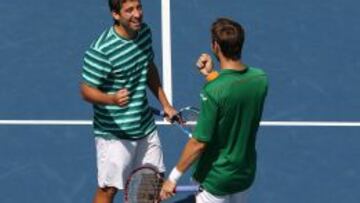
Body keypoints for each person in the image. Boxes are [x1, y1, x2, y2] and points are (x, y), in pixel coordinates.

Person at [160, 18, 268, 203]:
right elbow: (234, 95)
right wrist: (212, 76)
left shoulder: (213, 91)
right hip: (244, 175)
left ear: (215, 46)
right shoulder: (260, 79)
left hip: (215, 179)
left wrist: (172, 179)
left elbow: (198, 143)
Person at [80, 0, 177, 202]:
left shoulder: (144, 33)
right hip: (115, 135)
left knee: (152, 184)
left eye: (139, 7)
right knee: (108, 190)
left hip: (145, 127)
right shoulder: (102, 50)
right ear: (115, 15)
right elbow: (86, 90)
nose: (137, 14)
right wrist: (111, 99)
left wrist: (165, 104)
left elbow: (148, 67)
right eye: (129, 10)